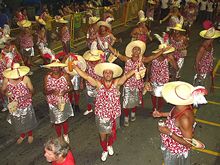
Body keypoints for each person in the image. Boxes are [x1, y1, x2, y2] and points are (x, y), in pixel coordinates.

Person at [71, 61, 136, 161]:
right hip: (101, 116)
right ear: (103, 74)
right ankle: (104, 150)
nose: (108, 74)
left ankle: (109, 145)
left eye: (110, 72)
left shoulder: (116, 83)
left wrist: (136, 68)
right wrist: (75, 67)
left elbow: (126, 76)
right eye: (106, 72)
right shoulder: (98, 84)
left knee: (111, 134)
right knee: (103, 136)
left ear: (113, 74)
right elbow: (87, 77)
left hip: (114, 115)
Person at [109, 40, 170, 126]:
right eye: (135, 49)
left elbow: (152, 57)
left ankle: (133, 113)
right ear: (132, 51)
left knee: (135, 101)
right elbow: (117, 54)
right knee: (126, 102)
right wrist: (108, 46)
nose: (136, 51)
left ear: (140, 52)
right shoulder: (127, 59)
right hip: (127, 85)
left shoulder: (143, 60)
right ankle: (126, 117)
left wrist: (162, 51)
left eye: (138, 50)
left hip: (138, 85)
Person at [153, 81, 207, 165]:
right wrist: (161, 114)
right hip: (171, 144)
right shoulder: (180, 106)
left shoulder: (184, 119)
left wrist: (169, 132)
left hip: (176, 152)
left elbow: (188, 143)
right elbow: (173, 115)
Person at [1, 63, 38, 144]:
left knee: (28, 120)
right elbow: (2, 90)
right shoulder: (6, 80)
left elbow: (32, 90)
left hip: (26, 104)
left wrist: (29, 95)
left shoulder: (26, 79)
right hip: (14, 106)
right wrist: (7, 93)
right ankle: (22, 135)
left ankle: (30, 134)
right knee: (18, 121)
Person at [43, 60, 74, 143]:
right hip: (52, 103)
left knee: (64, 119)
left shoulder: (65, 76)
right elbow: (44, 91)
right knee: (56, 121)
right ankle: (59, 136)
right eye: (53, 67)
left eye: (56, 67)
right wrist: (52, 91)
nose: (55, 69)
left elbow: (71, 87)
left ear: (60, 67)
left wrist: (64, 92)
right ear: (51, 68)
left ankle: (66, 134)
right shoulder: (47, 77)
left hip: (64, 101)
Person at [149, 33, 178, 112]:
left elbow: (176, 68)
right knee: (154, 94)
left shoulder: (168, 58)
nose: (166, 54)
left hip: (164, 80)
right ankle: (155, 108)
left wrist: (172, 60)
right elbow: (149, 66)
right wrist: (147, 79)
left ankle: (159, 108)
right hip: (154, 79)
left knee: (162, 95)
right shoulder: (154, 57)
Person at [82, 49, 103, 115]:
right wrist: (81, 82)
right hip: (89, 84)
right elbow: (84, 73)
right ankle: (89, 109)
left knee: (99, 98)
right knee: (88, 96)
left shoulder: (101, 64)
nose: (94, 61)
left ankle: (100, 110)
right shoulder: (87, 64)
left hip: (99, 84)